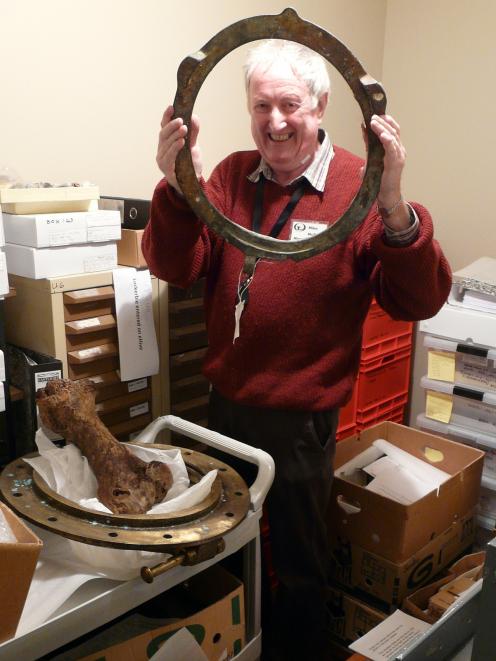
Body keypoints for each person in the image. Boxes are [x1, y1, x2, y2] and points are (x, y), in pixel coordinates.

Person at [142, 40, 451, 661]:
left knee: (300, 570)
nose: (275, 121)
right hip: (223, 409)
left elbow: (420, 301)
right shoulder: (229, 175)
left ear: (321, 105)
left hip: (302, 424)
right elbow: (175, 265)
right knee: (218, 552)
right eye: (262, 105)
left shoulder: (357, 189)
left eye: (289, 104)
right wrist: (178, 189)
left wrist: (393, 205)